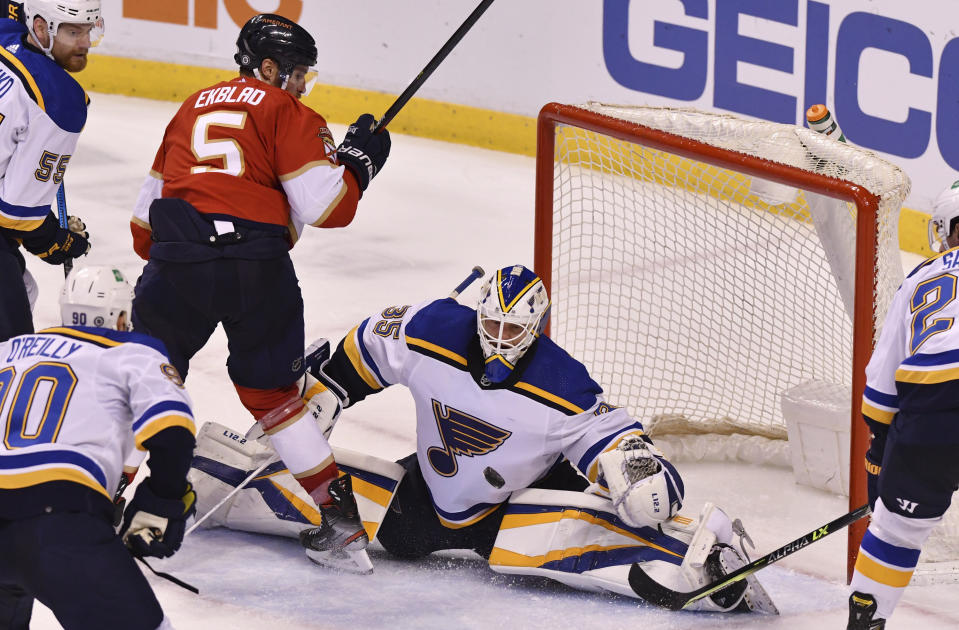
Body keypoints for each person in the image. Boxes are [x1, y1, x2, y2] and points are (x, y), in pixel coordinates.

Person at [189, 264, 777, 613]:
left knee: (586, 530)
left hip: (515, 506)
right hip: (426, 496)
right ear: (478, 314)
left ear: (536, 327)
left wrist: (639, 468)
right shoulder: (431, 329)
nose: (497, 339)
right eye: (489, 324)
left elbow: (611, 435)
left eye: (512, 330)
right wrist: (327, 389)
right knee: (323, 487)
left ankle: (708, 560)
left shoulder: (560, 383)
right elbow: (367, 346)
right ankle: (201, 475)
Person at [128, 13, 390, 555]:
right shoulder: (285, 110)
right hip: (256, 269)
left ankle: (104, 498)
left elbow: (141, 226)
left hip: (177, 263)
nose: (300, 85)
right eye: (296, 74)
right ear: (267, 67)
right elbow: (327, 207)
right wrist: (357, 166)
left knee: (144, 378)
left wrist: (181, 266)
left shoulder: (188, 108)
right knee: (275, 399)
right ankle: (340, 523)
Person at [0, 265, 197, 630]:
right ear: (121, 316)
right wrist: (161, 500)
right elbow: (172, 430)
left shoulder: (7, 351)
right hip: (57, 521)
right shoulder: (131, 350)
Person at [849, 181, 959, 629]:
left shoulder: (919, 279)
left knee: (896, 530)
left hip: (933, 402)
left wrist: (880, 457)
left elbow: (880, 390)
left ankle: (865, 622)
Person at [0, 0, 96, 341]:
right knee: (12, 352)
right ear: (40, 28)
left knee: (25, 289)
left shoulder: (6, 32)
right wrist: (58, 242)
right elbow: (16, 215)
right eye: (73, 32)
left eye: (89, 30)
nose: (84, 43)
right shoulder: (60, 100)